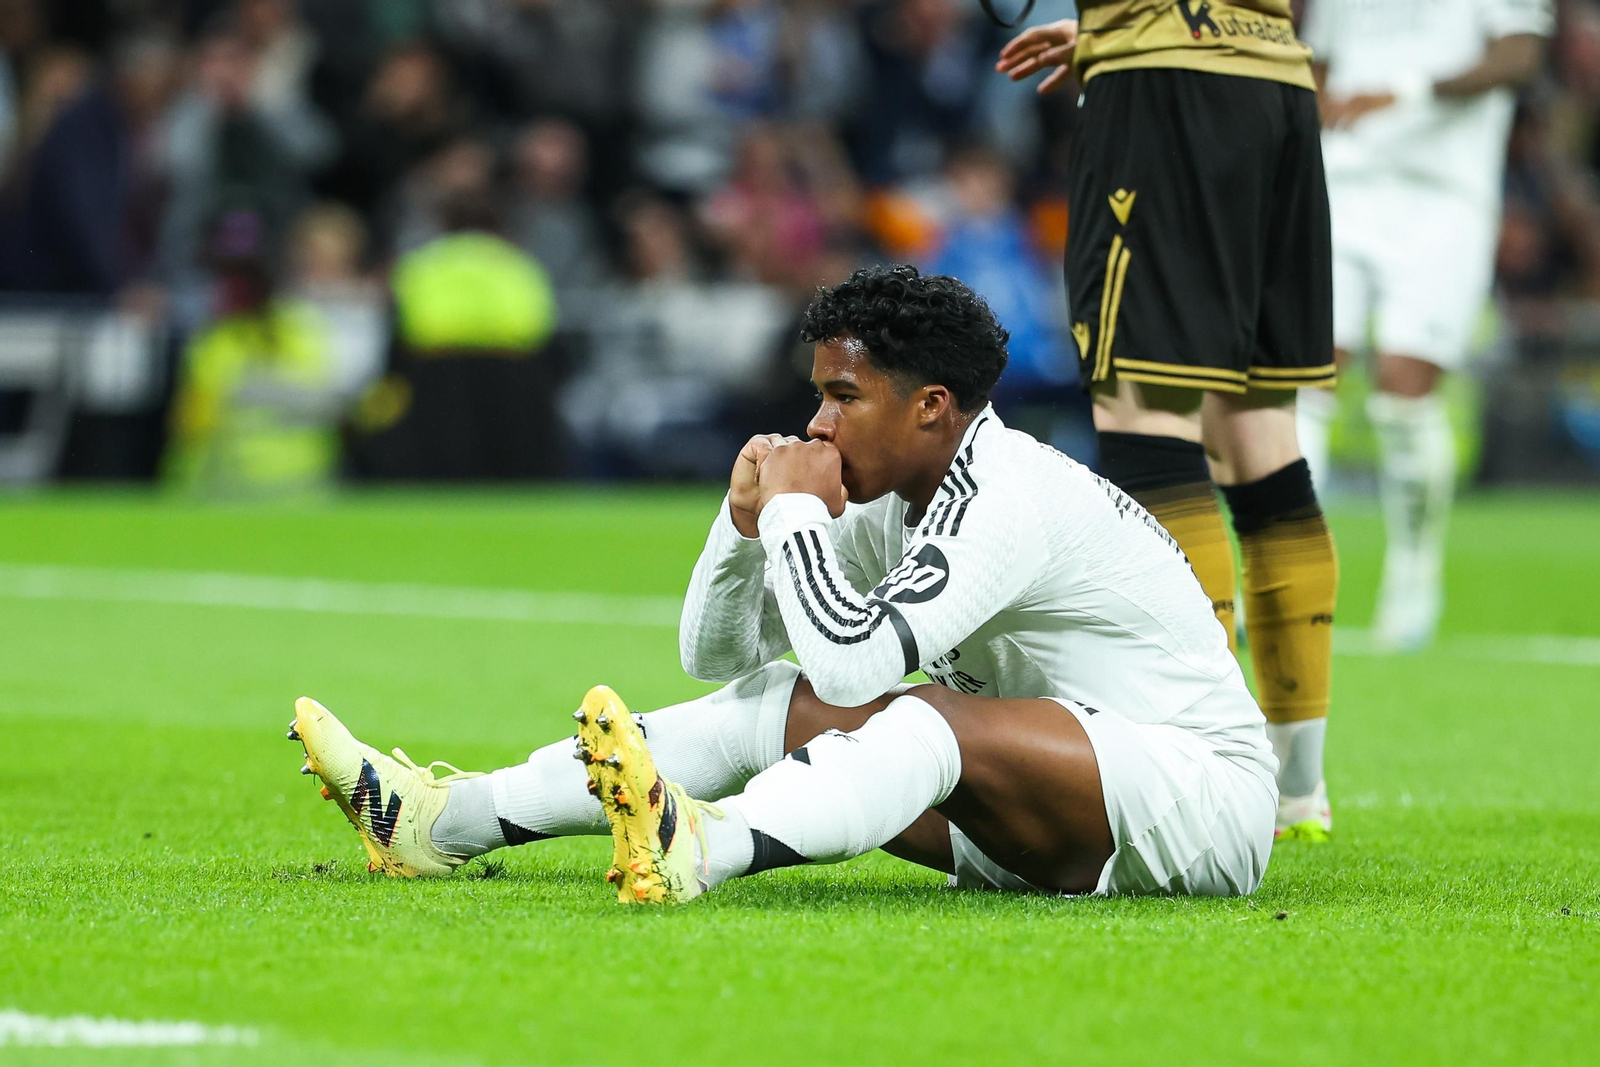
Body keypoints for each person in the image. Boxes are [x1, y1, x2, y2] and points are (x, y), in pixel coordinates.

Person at [289, 265, 1277, 902]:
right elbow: (720, 657)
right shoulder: (891, 491)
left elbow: (853, 671)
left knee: (921, 718)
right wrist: (741, 525)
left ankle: (698, 850)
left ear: (932, 406)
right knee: (773, 703)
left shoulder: (1009, 491)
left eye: (843, 396)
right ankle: (433, 823)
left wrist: (799, 516)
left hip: (1195, 803)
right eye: (816, 394)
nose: (817, 423)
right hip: (1048, 804)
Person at [994, 3, 1339, 840]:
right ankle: (1298, 786)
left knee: (1149, 416)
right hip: (1277, 77)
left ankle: (1206, 764)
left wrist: (1132, 26)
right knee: (1260, 434)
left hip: (1164, 86)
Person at [1296, 0, 1553, 651]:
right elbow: (1320, 65)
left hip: (1442, 196)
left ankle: (1413, 569)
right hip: (1343, 183)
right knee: (1305, 375)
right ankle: (1294, 573)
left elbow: (1520, 55)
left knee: (1403, 387)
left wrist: (1406, 90)